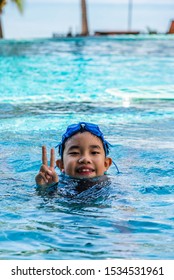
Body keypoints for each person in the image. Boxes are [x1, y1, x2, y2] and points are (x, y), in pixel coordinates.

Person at [35, 122, 118, 189]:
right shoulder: (59, 187)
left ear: (106, 164)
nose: (85, 159)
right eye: (74, 153)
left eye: (94, 152)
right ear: (61, 165)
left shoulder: (116, 188)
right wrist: (46, 190)